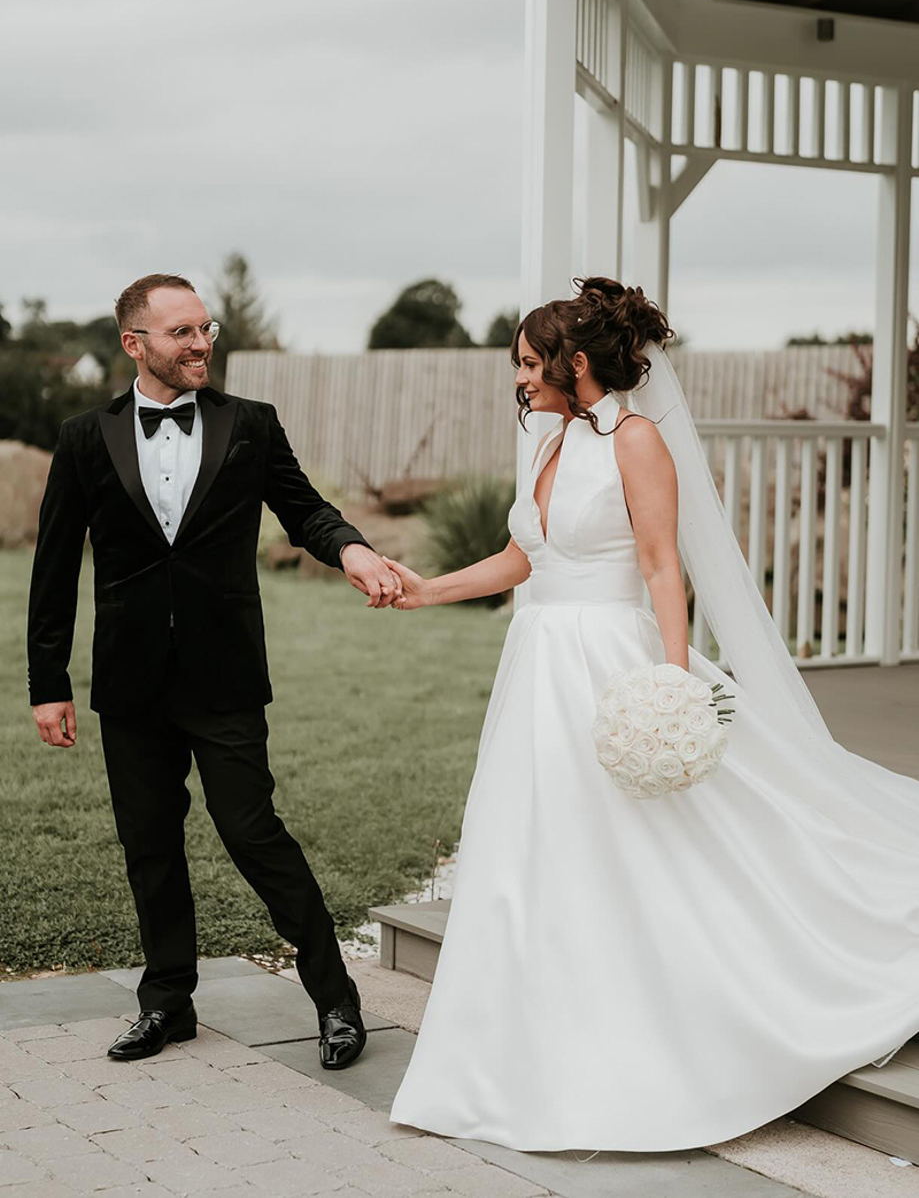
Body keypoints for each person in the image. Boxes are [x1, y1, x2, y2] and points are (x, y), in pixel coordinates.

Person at [384, 276, 919, 1152]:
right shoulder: (548, 442)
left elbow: (664, 566)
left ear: (576, 362)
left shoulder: (635, 442)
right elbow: (524, 556)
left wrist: (670, 684)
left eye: (527, 363)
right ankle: (516, 1051)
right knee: (532, 846)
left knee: (645, 844)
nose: (518, 379)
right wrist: (426, 591)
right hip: (538, 667)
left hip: (611, 661)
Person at [27, 273, 403, 1066]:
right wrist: (48, 683)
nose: (201, 343)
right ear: (135, 343)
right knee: (149, 847)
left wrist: (353, 551)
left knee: (254, 832)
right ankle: (166, 1003)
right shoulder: (84, 437)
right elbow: (54, 568)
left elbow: (304, 510)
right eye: (182, 332)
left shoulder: (249, 426)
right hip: (129, 683)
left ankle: (335, 1001)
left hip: (224, 674)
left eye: (206, 328)